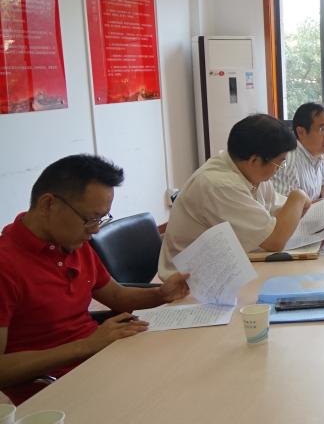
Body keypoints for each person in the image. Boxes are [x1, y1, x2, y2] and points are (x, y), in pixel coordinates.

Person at [0, 155, 190, 404]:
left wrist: (160, 294)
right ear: (48, 204)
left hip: (103, 361)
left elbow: (116, 296)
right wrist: (87, 345)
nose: (96, 229)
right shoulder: (6, 264)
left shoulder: (72, 242)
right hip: (56, 389)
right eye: (90, 219)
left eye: (101, 219)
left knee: (185, 376)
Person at [159, 114, 311, 279]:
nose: (280, 168)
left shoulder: (250, 172)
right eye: (279, 163)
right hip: (191, 282)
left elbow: (279, 213)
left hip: (226, 268)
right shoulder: (219, 184)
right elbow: (275, 240)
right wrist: (298, 195)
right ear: (254, 160)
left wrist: (297, 209)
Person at [272, 102, 324, 212]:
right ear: (301, 132)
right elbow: (285, 209)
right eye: (322, 130)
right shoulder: (288, 161)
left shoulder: (316, 154)